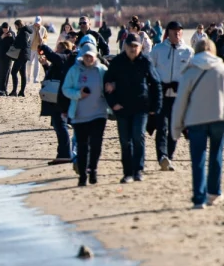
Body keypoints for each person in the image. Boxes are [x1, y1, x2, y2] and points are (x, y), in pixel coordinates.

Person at [171, 38, 224, 209]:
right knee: (216, 156)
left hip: (196, 120)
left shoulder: (190, 70)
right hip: (220, 120)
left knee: (198, 158)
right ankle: (214, 193)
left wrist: (176, 128)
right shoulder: (223, 69)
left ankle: (199, 199)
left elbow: (181, 102)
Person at [104, 33, 162, 182]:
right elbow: (107, 84)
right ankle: (128, 173)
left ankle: (138, 170)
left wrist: (155, 106)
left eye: (136, 47)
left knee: (138, 136)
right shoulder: (117, 62)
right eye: (130, 46)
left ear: (140, 47)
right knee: (125, 140)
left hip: (141, 107)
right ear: (125, 46)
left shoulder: (145, 62)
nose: (133, 49)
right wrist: (113, 103)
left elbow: (156, 84)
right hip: (122, 108)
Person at [62, 38, 109, 186]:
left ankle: (93, 169)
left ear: (95, 56)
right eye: (86, 56)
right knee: (82, 147)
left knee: (96, 145)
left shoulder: (102, 70)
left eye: (91, 56)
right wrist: (78, 94)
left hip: (99, 114)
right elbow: (65, 89)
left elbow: (110, 89)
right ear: (82, 56)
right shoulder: (74, 70)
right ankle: (82, 175)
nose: (88, 58)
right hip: (79, 115)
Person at [149, 20, 192, 171]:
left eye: (179, 31)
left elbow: (193, 73)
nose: (177, 33)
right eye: (174, 31)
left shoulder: (188, 51)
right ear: (168, 32)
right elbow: (149, 68)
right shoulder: (158, 50)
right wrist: (156, 85)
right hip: (161, 95)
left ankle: (169, 157)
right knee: (162, 127)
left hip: (179, 96)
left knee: (175, 128)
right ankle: (162, 156)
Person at [38, 40, 76, 165]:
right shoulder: (62, 60)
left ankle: (65, 154)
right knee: (57, 125)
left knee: (60, 125)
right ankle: (62, 154)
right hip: (56, 97)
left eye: (57, 48)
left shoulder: (65, 57)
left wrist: (43, 46)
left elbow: (53, 56)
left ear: (63, 49)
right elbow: (54, 74)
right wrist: (45, 65)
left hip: (60, 99)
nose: (56, 50)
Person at [0, 22, 17, 96]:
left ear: (9, 28)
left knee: (6, 73)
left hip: (8, 57)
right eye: (4, 29)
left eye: (7, 29)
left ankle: (4, 90)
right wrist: (1, 37)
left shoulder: (12, 33)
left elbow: (15, 43)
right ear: (2, 28)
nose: (6, 31)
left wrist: (11, 37)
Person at [27, 16, 45, 85]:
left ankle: (35, 78)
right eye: (36, 23)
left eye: (38, 23)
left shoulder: (43, 29)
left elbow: (43, 39)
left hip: (38, 49)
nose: (37, 24)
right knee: (29, 63)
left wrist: (39, 32)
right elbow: (28, 37)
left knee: (37, 64)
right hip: (30, 48)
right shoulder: (30, 28)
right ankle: (28, 77)